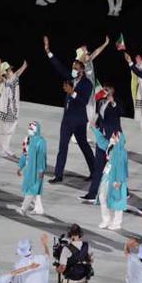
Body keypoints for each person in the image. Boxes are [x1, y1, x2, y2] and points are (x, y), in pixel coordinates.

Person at [43, 36, 96, 183]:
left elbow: (83, 101)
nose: (73, 69)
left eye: (76, 67)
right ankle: (58, 175)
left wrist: (71, 92)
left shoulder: (87, 84)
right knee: (63, 147)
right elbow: (58, 66)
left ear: (82, 70)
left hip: (79, 120)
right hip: (67, 119)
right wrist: (48, 51)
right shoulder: (70, 78)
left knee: (84, 146)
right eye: (72, 67)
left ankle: (95, 171)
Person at [85, 83, 122, 201]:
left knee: (114, 168)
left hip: (112, 140)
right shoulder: (101, 102)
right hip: (101, 138)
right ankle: (92, 194)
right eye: (103, 89)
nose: (103, 92)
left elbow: (121, 110)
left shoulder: (116, 103)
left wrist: (113, 102)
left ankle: (123, 192)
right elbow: (100, 117)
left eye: (106, 90)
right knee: (98, 167)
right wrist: (95, 124)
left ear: (111, 92)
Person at [0, 58, 29, 159]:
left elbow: (19, 71)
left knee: (9, 131)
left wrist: (24, 66)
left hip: (13, 110)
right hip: (3, 110)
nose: (11, 71)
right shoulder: (2, 81)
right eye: (9, 70)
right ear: (5, 73)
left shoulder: (15, 79)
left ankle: (6, 148)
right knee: (1, 131)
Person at [96, 128, 129, 230]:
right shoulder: (110, 147)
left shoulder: (122, 152)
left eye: (115, 136)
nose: (112, 137)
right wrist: (95, 130)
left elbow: (122, 167)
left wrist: (118, 180)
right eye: (112, 136)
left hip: (117, 178)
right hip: (107, 176)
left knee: (117, 200)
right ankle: (106, 219)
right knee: (102, 196)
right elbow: (102, 142)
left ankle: (117, 222)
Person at [17, 120, 48, 216]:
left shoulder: (41, 142)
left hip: (36, 170)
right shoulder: (27, 139)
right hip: (28, 169)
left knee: (32, 189)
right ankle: (39, 209)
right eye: (29, 128)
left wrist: (41, 170)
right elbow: (24, 154)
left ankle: (23, 209)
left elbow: (41, 157)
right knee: (35, 189)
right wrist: (20, 167)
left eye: (31, 128)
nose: (29, 130)